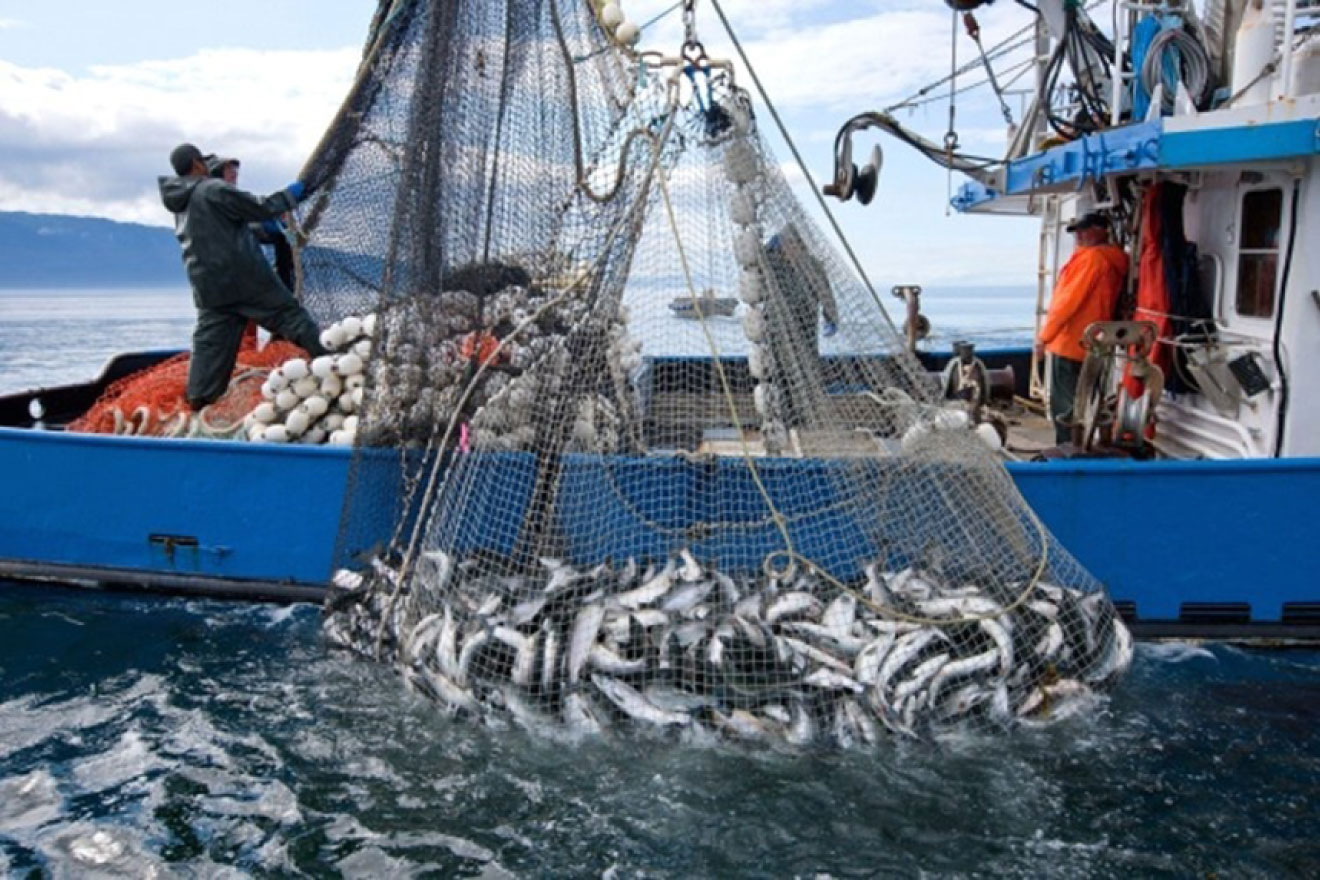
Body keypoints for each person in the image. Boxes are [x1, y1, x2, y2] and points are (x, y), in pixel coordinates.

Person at [160, 143, 326, 410]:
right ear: (196, 164)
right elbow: (263, 207)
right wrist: (293, 194)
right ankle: (332, 360)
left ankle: (198, 403)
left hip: (208, 288)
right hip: (245, 279)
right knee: (290, 316)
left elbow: (236, 227)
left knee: (210, 347)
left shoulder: (180, 204)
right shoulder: (212, 188)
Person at [1036, 211, 1129, 444]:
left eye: (1084, 230)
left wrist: (1044, 337)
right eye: (1077, 230)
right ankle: (1085, 444)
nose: (1079, 235)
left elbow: (1067, 303)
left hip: (1070, 343)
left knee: (1066, 406)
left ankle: (1068, 449)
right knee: (1089, 400)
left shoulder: (1091, 259)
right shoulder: (1115, 259)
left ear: (1102, 230)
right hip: (1095, 344)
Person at [761, 224, 840, 428]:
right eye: (786, 245)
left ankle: (807, 417)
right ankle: (784, 418)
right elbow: (755, 261)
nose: (790, 249)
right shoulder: (773, 264)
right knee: (778, 371)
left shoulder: (813, 266)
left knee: (807, 370)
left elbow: (825, 293)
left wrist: (830, 317)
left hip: (805, 324)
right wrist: (768, 246)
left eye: (794, 244)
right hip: (776, 328)